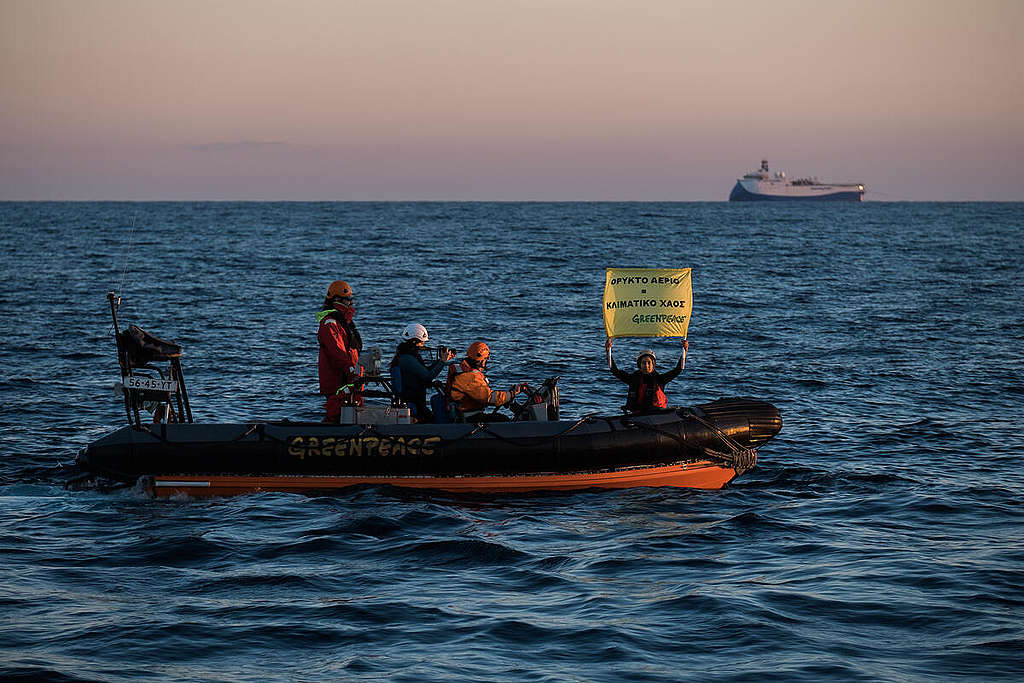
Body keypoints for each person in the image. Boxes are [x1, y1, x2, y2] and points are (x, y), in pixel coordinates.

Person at [446, 341, 527, 422]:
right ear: (481, 360)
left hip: (464, 413)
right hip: (468, 417)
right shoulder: (469, 376)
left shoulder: (462, 370)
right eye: (485, 359)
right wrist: (512, 394)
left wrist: (507, 397)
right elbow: (488, 397)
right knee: (503, 419)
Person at [317, 280, 363, 422]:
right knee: (337, 412)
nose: (351, 302)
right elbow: (337, 352)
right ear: (338, 300)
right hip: (339, 379)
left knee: (350, 412)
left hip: (349, 378)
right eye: (348, 299)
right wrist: (350, 371)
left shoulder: (344, 323)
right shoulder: (331, 323)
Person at [390, 323, 455, 422]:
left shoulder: (405, 356)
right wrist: (442, 362)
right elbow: (427, 376)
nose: (423, 346)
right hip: (414, 402)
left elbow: (424, 372)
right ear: (415, 341)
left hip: (414, 400)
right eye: (422, 343)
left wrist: (440, 361)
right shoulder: (407, 359)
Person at [605, 337, 688, 414]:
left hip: (655, 414)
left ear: (653, 365)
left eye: (649, 363)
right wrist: (608, 351)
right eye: (644, 363)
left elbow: (678, 369)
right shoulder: (633, 378)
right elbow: (614, 370)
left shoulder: (660, 379)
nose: (646, 366)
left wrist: (685, 351)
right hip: (636, 414)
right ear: (639, 365)